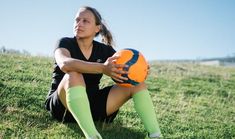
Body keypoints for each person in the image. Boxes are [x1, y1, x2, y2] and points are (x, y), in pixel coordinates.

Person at [45, 6, 162, 139]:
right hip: (63, 105)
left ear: (97, 28)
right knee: (74, 74)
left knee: (137, 84)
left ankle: (155, 135)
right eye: (77, 20)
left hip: (92, 106)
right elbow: (65, 64)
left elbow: (123, 71)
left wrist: (140, 70)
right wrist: (102, 68)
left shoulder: (105, 50)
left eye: (85, 21)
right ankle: (93, 136)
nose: (79, 23)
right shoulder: (65, 42)